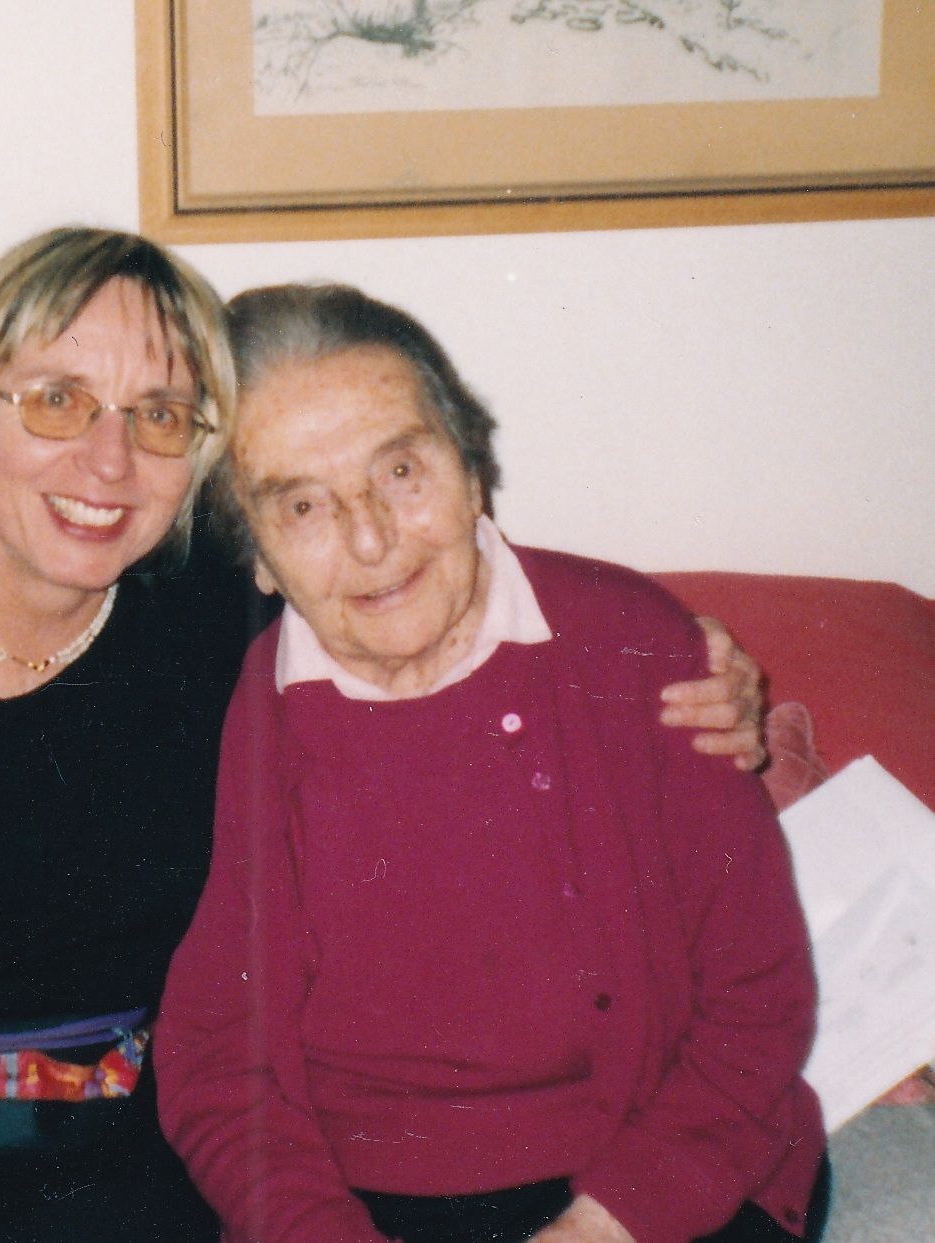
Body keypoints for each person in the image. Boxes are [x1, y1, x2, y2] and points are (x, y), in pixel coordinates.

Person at [0, 229, 767, 1242]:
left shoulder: (212, 609)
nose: (109, 460)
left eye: (159, 416)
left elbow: (423, 585)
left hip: (142, 1178)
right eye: (56, 400)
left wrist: (683, 666)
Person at [155, 283, 827, 1243]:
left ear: (471, 467)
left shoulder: (634, 645)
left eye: (400, 470)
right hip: (365, 1195)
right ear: (257, 556)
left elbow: (757, 1003)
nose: (370, 538)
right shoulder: (254, 708)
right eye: (301, 504)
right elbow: (220, 1056)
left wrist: (602, 1227)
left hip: (656, 1168)